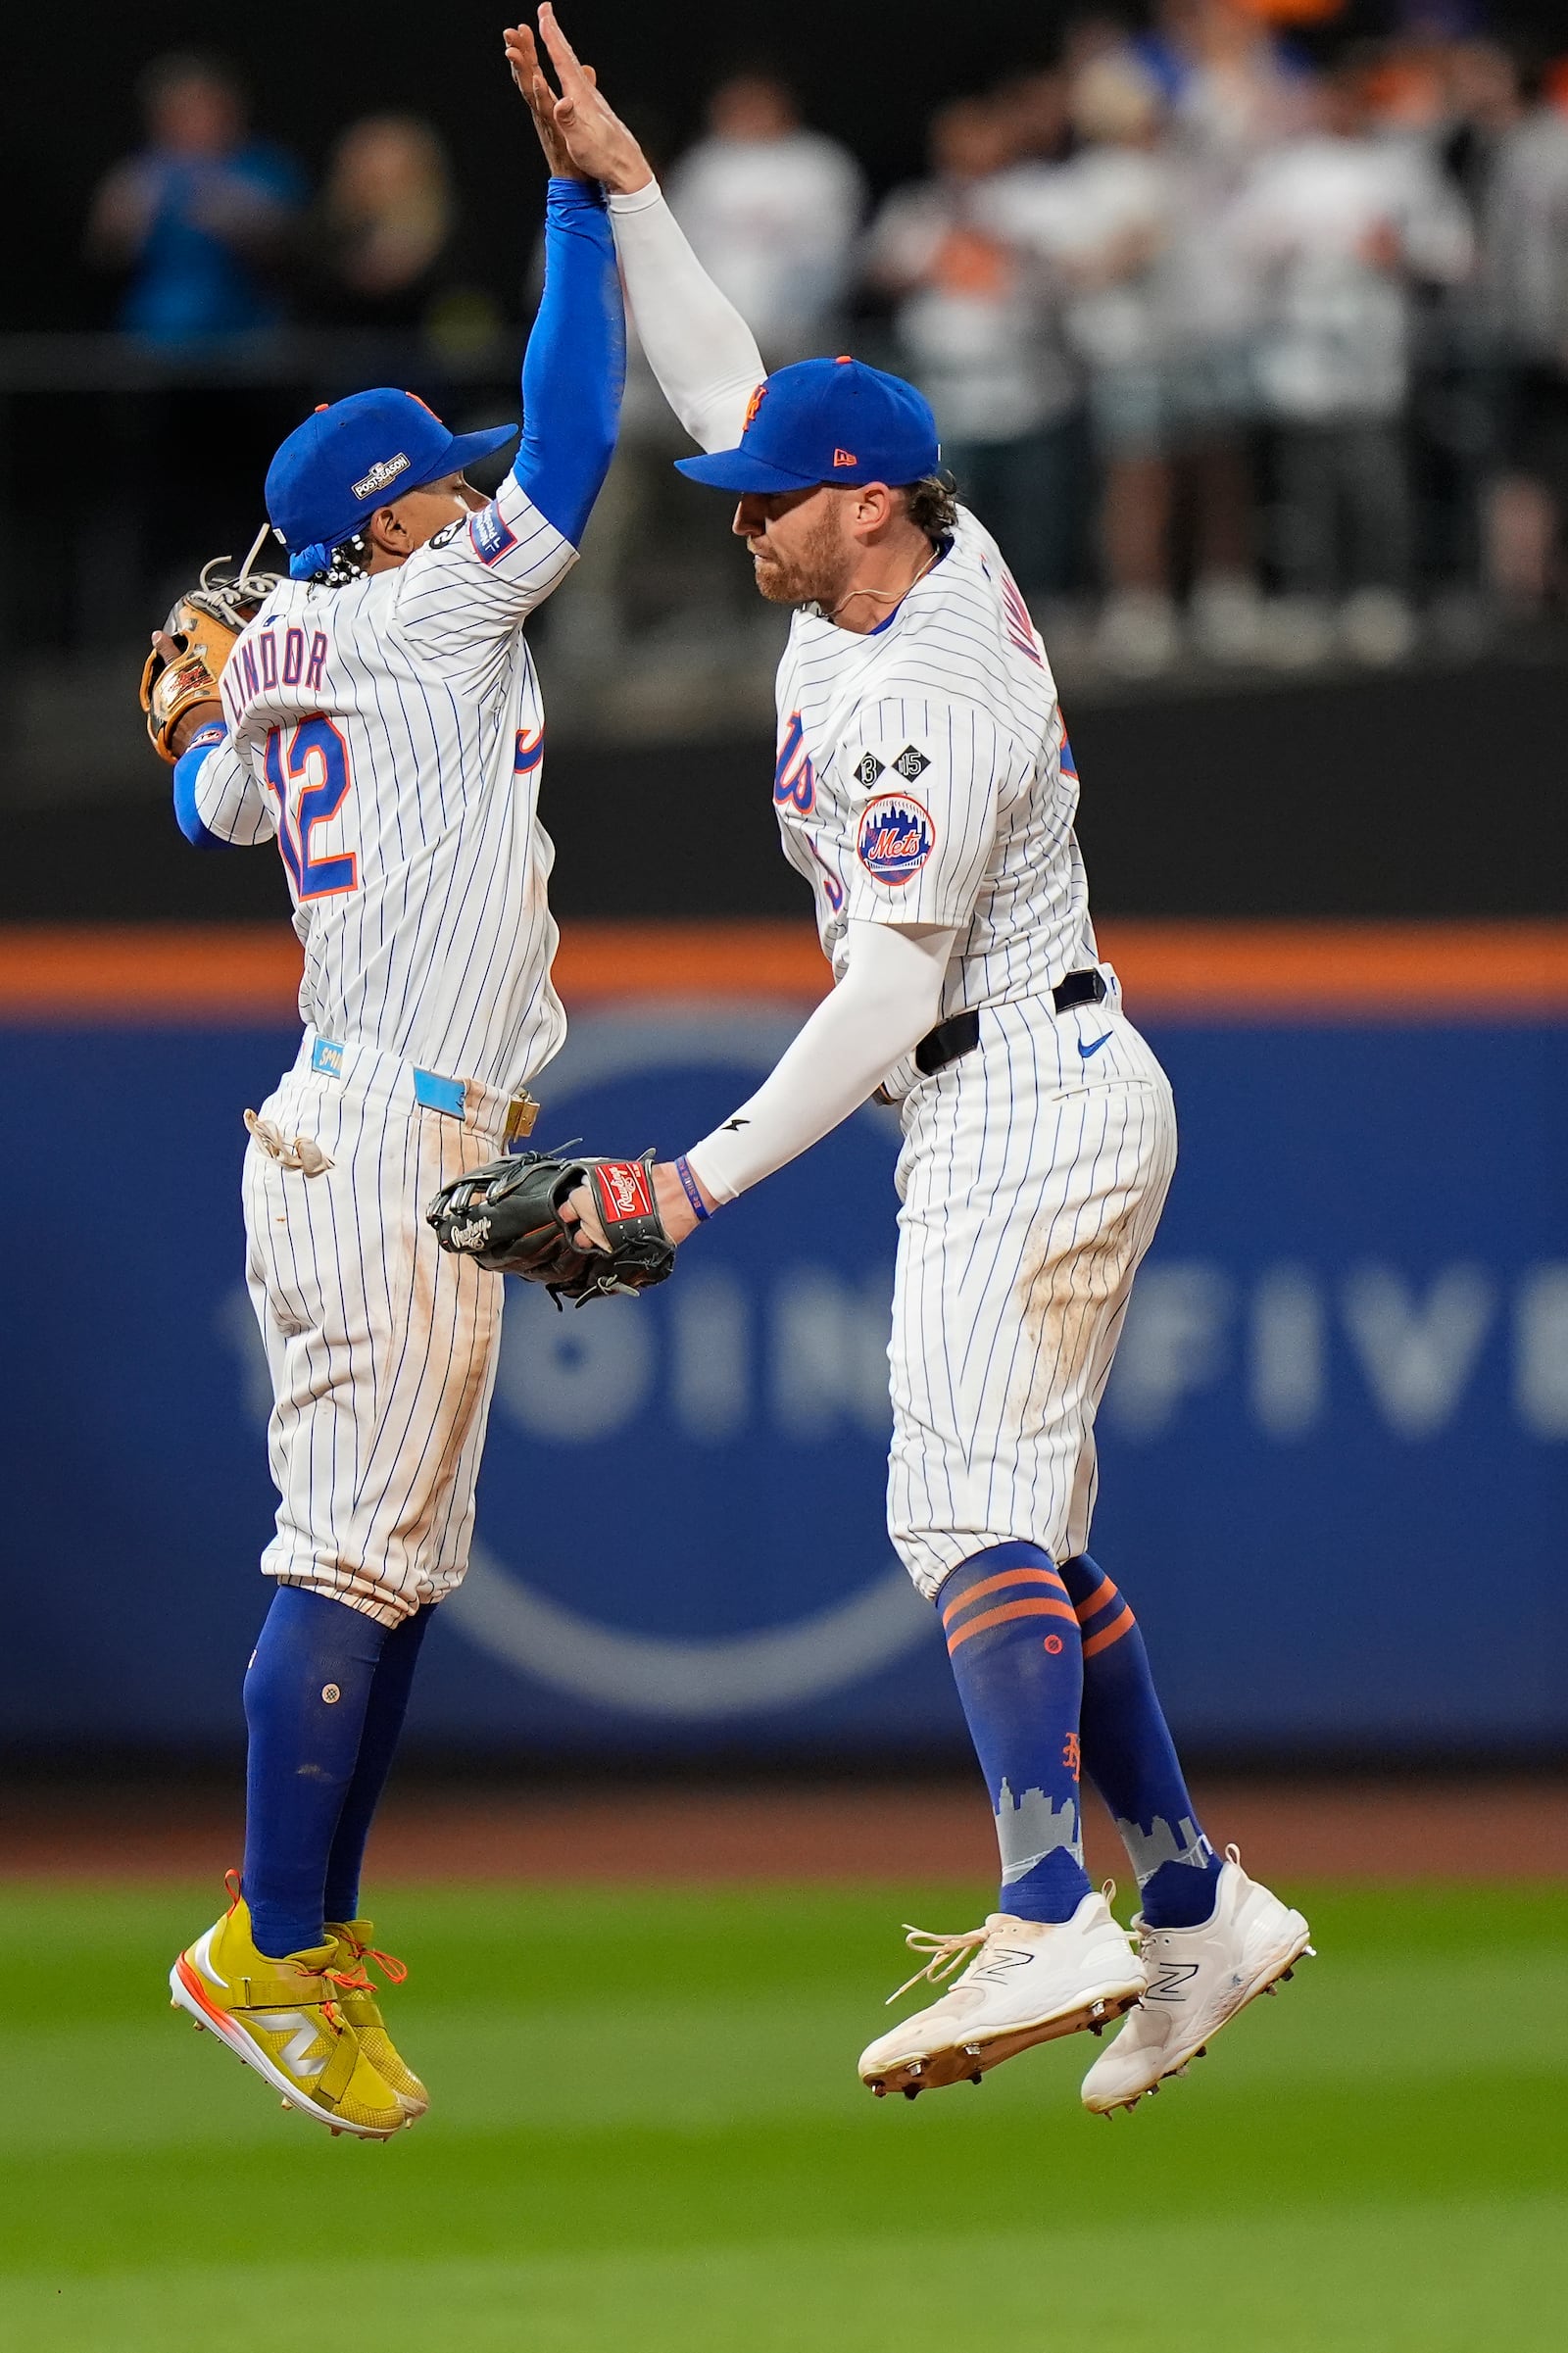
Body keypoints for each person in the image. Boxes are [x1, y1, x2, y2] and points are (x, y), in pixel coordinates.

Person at [522, 4, 1312, 2116]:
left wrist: (686, 1180)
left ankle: (1043, 1903)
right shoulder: (882, 558)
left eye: (772, 506)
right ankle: (1195, 1906)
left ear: (862, 512)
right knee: (1017, 1527)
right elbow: (725, 386)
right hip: (1007, 1090)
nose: (735, 519)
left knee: (951, 1502)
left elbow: (882, 988)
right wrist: (625, 179)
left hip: (1016, 1087)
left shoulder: (924, 691)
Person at [160, 25, 625, 2140]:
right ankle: (261, 1946)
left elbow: (202, 806)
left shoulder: (290, 652)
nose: (470, 481)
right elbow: (581, 427)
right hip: (388, 1126)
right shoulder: (429, 611)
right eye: (434, 475)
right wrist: (575, 198)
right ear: (394, 519)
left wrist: (210, 697)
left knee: (392, 1558)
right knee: (347, 1553)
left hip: (376, 1116)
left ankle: (304, 1946)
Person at [864, 96, 1088, 609]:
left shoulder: (1037, 198)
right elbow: (879, 273)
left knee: (1037, 518)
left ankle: (1043, 616)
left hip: (1031, 386)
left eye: (979, 134)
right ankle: (959, 617)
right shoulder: (919, 207)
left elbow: (1072, 274)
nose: (969, 148)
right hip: (949, 391)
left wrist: (1015, 243)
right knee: (951, 520)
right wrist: (939, 245)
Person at [85, 52, 305, 340]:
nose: (191, 122)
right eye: (177, 112)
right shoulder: (138, 174)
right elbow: (103, 254)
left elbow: (297, 253)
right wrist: (124, 217)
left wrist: (238, 216)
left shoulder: (265, 169)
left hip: (248, 336)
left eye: (201, 109)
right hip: (154, 335)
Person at [664, 68, 865, 365]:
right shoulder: (703, 164)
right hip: (713, 317)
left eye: (758, 105)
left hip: (800, 317)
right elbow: (676, 239)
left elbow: (836, 245)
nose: (749, 114)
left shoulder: (820, 161)